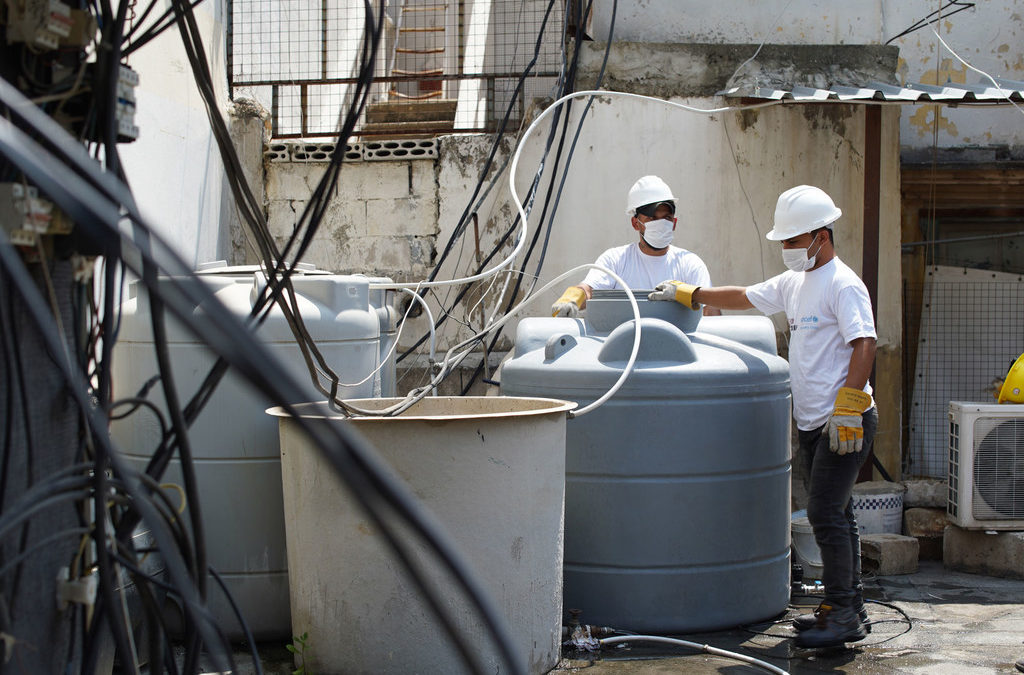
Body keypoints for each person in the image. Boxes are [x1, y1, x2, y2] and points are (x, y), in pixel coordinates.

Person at [649, 185, 878, 649]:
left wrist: (849, 407)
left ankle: (843, 612)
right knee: (839, 513)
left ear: (820, 236)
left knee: (824, 513)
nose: (787, 250)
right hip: (815, 424)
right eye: (784, 243)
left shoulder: (843, 283)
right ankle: (846, 606)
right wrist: (690, 294)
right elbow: (744, 296)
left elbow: (865, 343)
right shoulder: (795, 283)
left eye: (793, 242)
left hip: (846, 422)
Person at [550, 175, 720, 317]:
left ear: (674, 222)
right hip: (625, 349)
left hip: (678, 352)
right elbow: (589, 290)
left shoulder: (689, 263)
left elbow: (710, 310)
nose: (660, 223)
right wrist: (572, 298)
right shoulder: (616, 260)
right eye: (653, 218)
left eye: (666, 218)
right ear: (635, 223)